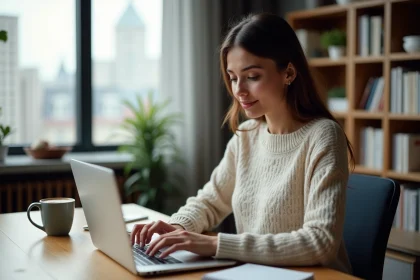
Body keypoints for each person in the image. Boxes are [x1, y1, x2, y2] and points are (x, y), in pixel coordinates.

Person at [131, 13, 355, 274]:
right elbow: (210, 201)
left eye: (252, 76)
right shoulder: (246, 135)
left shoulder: (323, 136)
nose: (239, 90)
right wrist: (178, 226)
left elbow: (320, 242)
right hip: (259, 273)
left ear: (289, 73)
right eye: (233, 77)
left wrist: (214, 243)